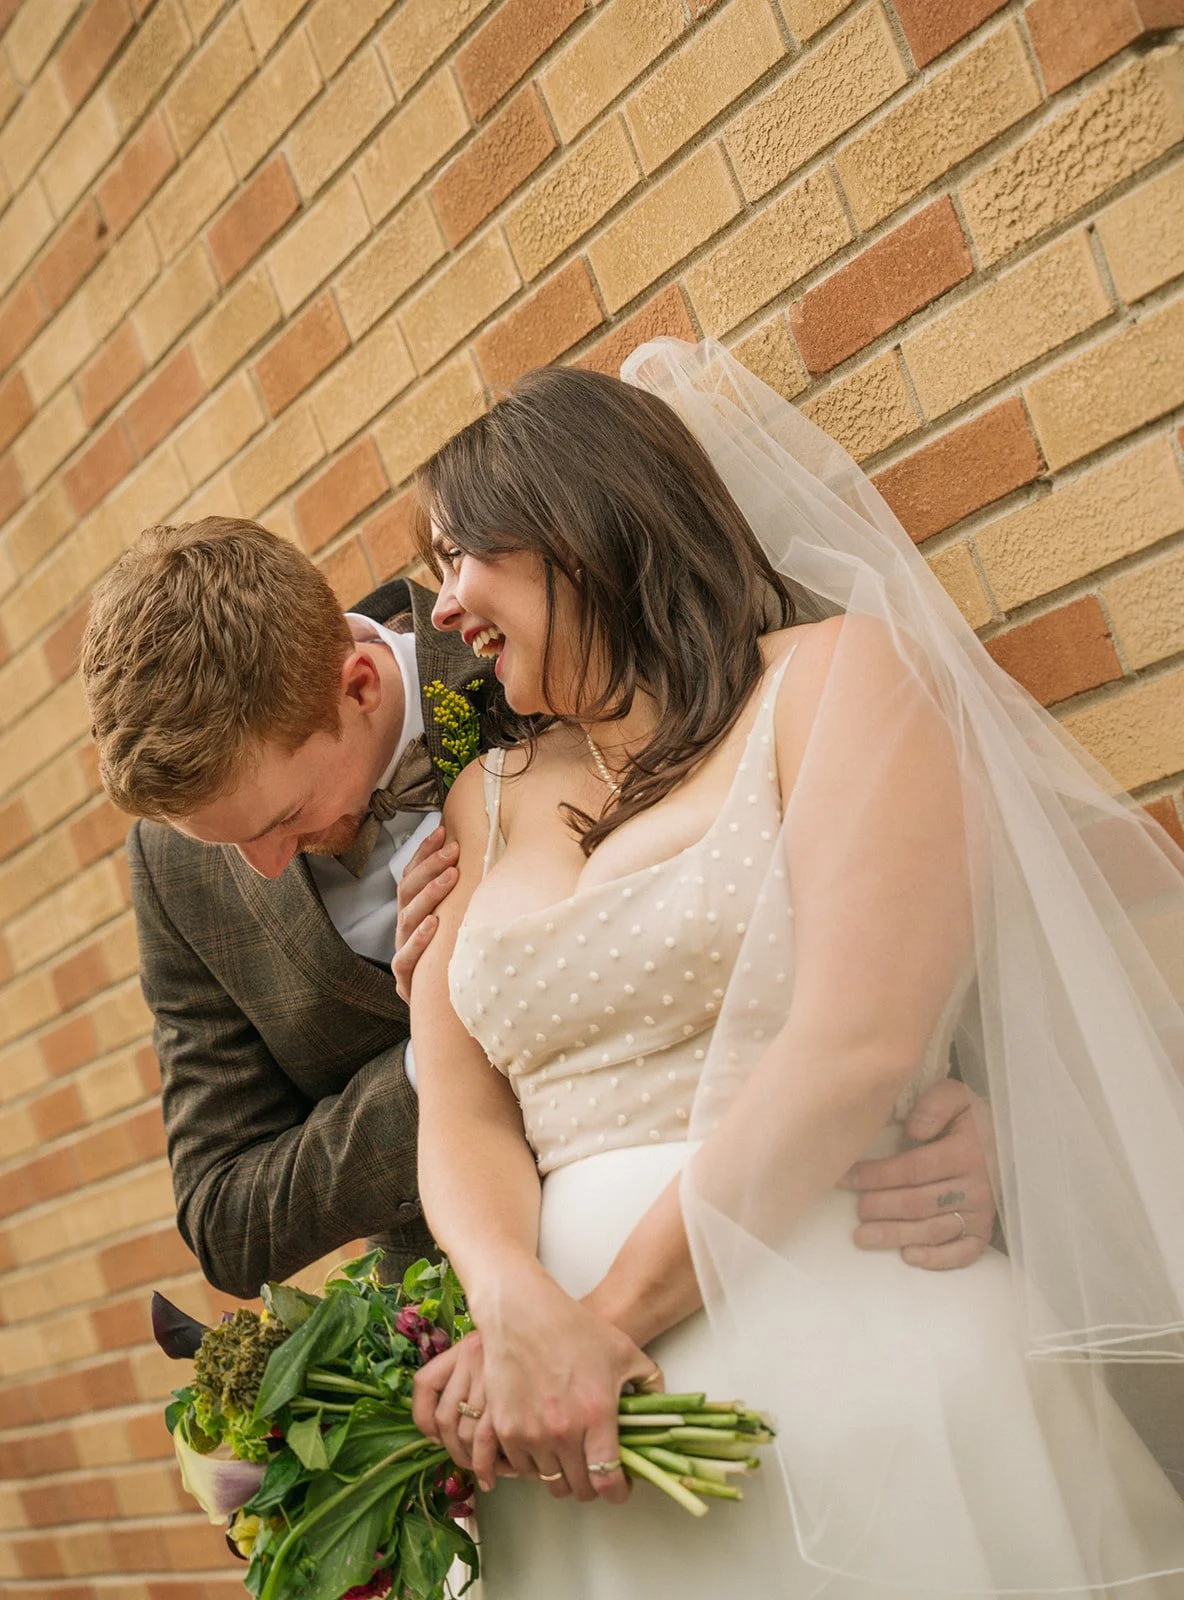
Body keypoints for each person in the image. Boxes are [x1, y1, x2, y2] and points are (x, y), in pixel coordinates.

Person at [405, 342, 1184, 1597]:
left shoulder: (839, 681)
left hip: (852, 1361)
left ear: (580, 527)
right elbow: (458, 1101)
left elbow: (854, 1043)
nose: (442, 608)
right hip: (582, 1435)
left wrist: (600, 1325)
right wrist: (510, 1305)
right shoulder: (481, 801)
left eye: (465, 557)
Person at [79, 518, 991, 1300]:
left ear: (358, 684)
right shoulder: (175, 869)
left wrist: (991, 1120)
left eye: (282, 818)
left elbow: (887, 863)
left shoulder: (548, 634)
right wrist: (445, 1042)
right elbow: (224, 1217)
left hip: (812, 1227)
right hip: (476, 1346)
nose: (266, 866)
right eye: (228, 842)